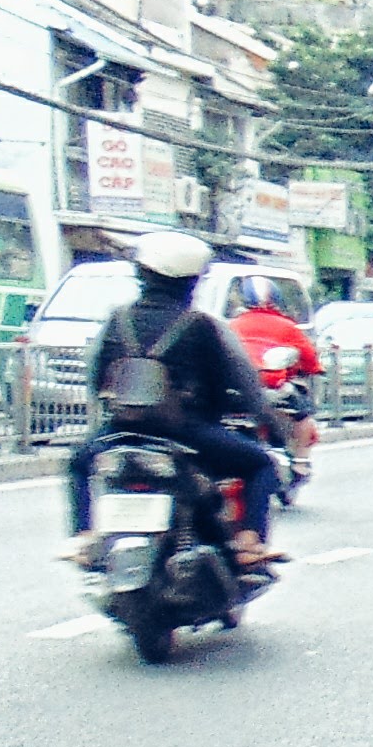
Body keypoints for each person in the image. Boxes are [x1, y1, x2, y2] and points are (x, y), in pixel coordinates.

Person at [69, 231, 292, 566]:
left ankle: (85, 537)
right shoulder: (203, 326)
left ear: (142, 275)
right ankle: (248, 544)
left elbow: (96, 377)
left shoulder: (117, 321)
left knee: (76, 464)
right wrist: (273, 427)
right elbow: (244, 386)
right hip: (187, 433)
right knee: (261, 465)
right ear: (192, 282)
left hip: (119, 431)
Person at [225, 284, 324, 473]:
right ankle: (300, 461)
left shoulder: (234, 325)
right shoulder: (288, 327)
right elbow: (310, 359)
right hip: (273, 386)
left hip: (236, 386)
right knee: (304, 418)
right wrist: (314, 369)